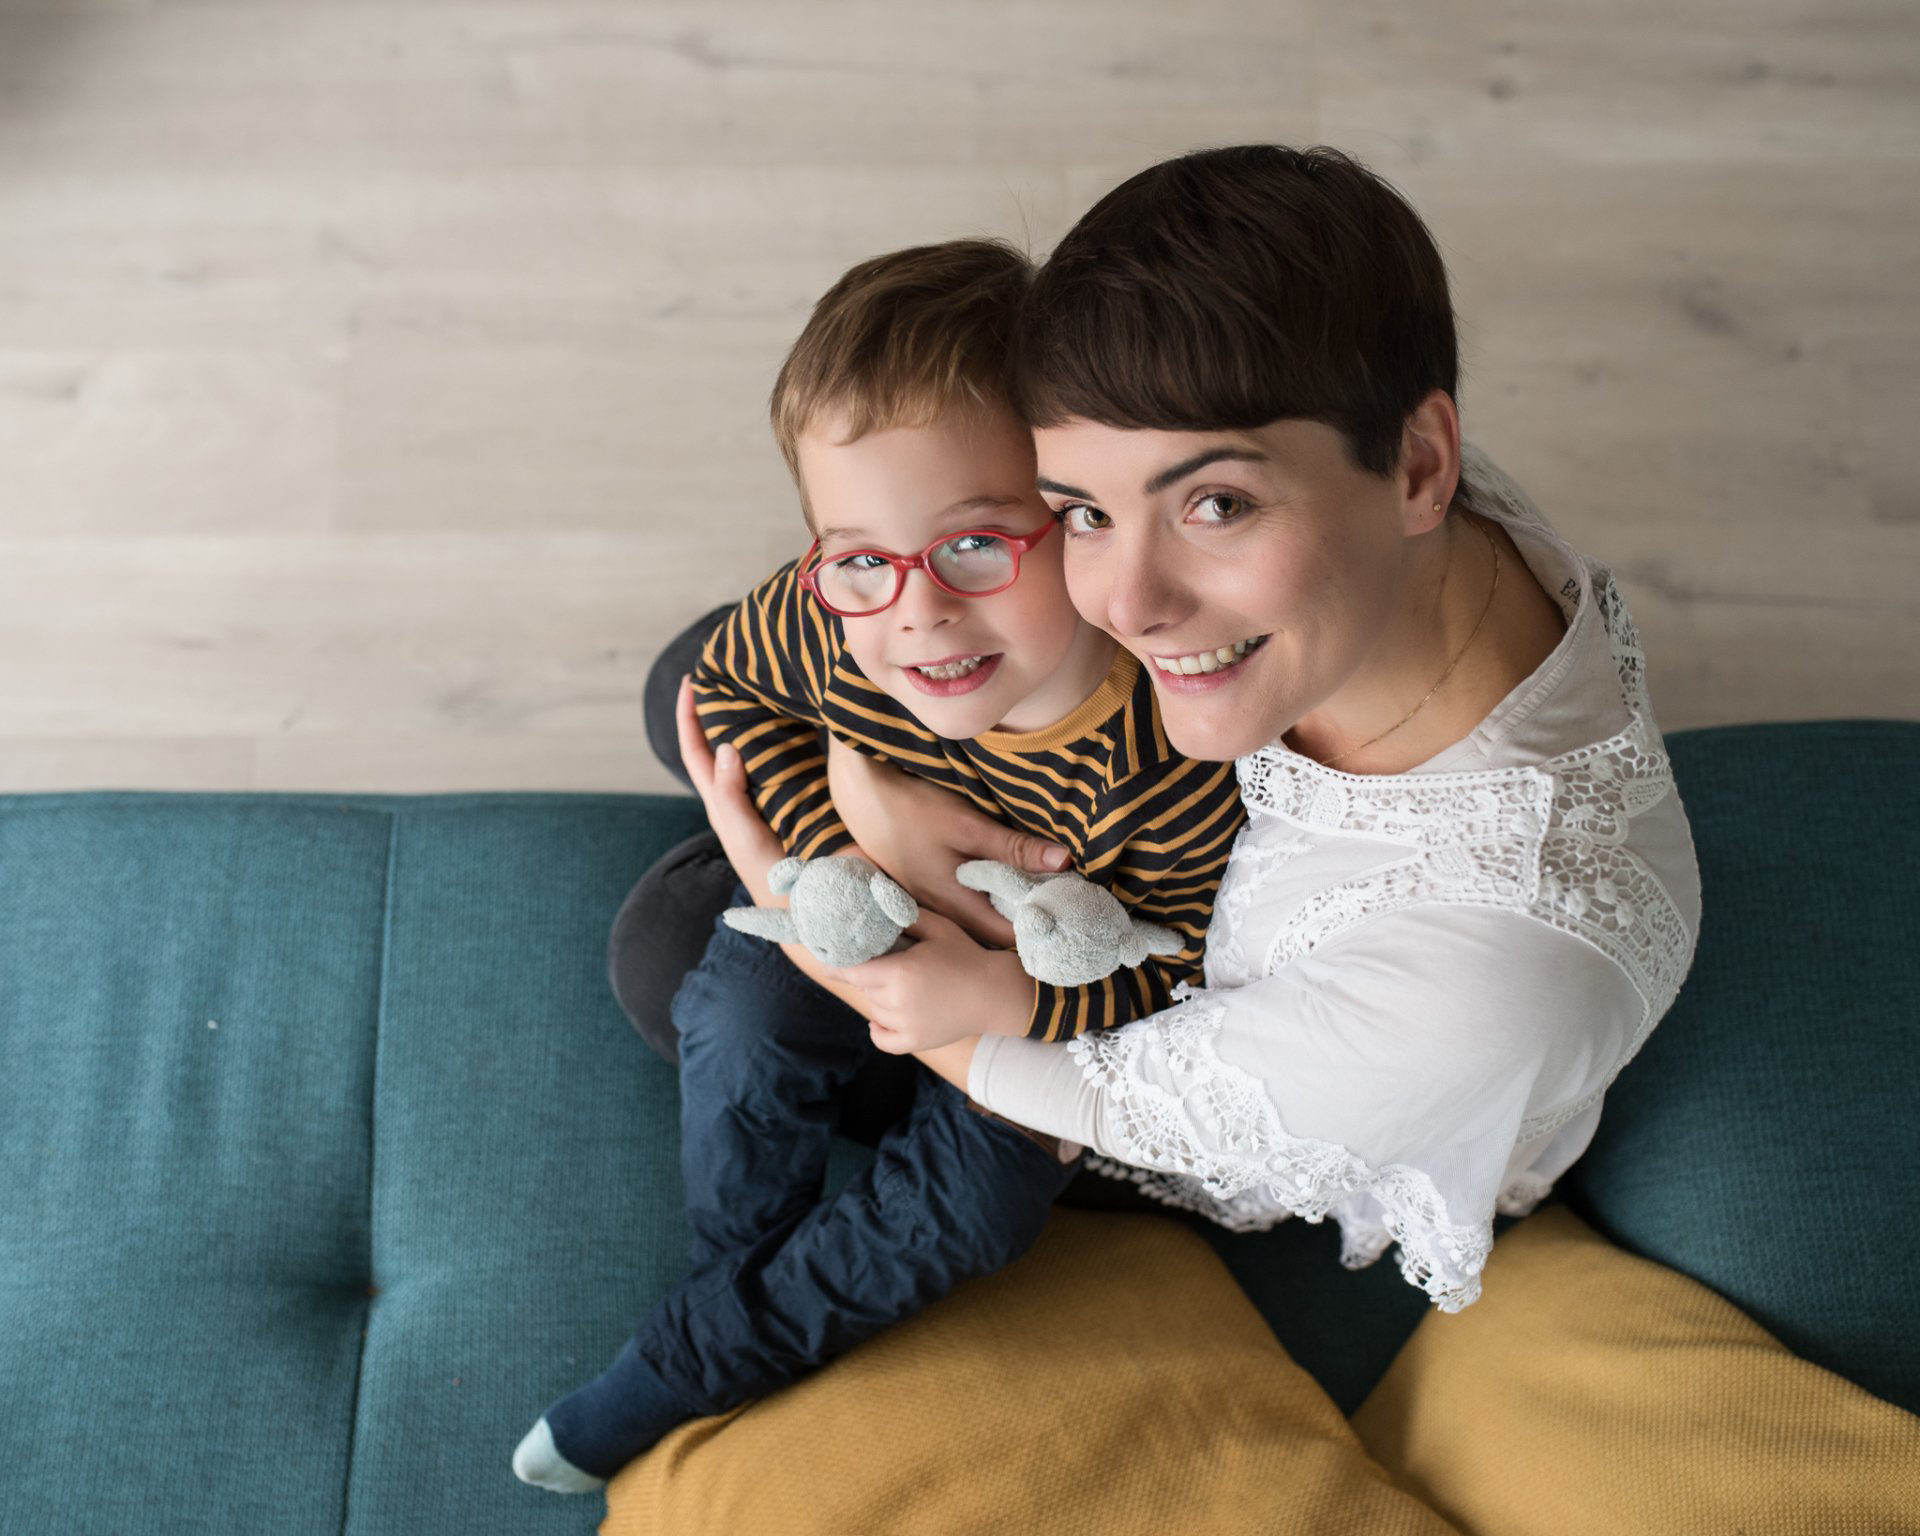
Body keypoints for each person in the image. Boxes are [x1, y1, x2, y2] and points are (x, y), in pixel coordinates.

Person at [686, 143, 1704, 1320]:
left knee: (680, 950)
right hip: (1059, 867)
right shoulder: (1385, 517)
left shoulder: (1486, 987)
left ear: (1424, 463)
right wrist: (858, 774)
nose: (1122, 604)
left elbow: (1071, 1086)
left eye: (1215, 504)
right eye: (1082, 511)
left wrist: (807, 873)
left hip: (1098, 1067)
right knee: (729, 659)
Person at [513, 238, 1244, 1492]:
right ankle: (732, 1288)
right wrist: (833, 851)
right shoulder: (828, 618)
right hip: (876, 908)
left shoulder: (1173, 746)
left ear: (1076, 517)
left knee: (975, 1203)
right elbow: (735, 694)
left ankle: (704, 1350)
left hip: (1037, 1027)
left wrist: (1013, 1002)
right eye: (861, 557)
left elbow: (1188, 965)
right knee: (731, 1002)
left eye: (975, 547)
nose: (918, 617)